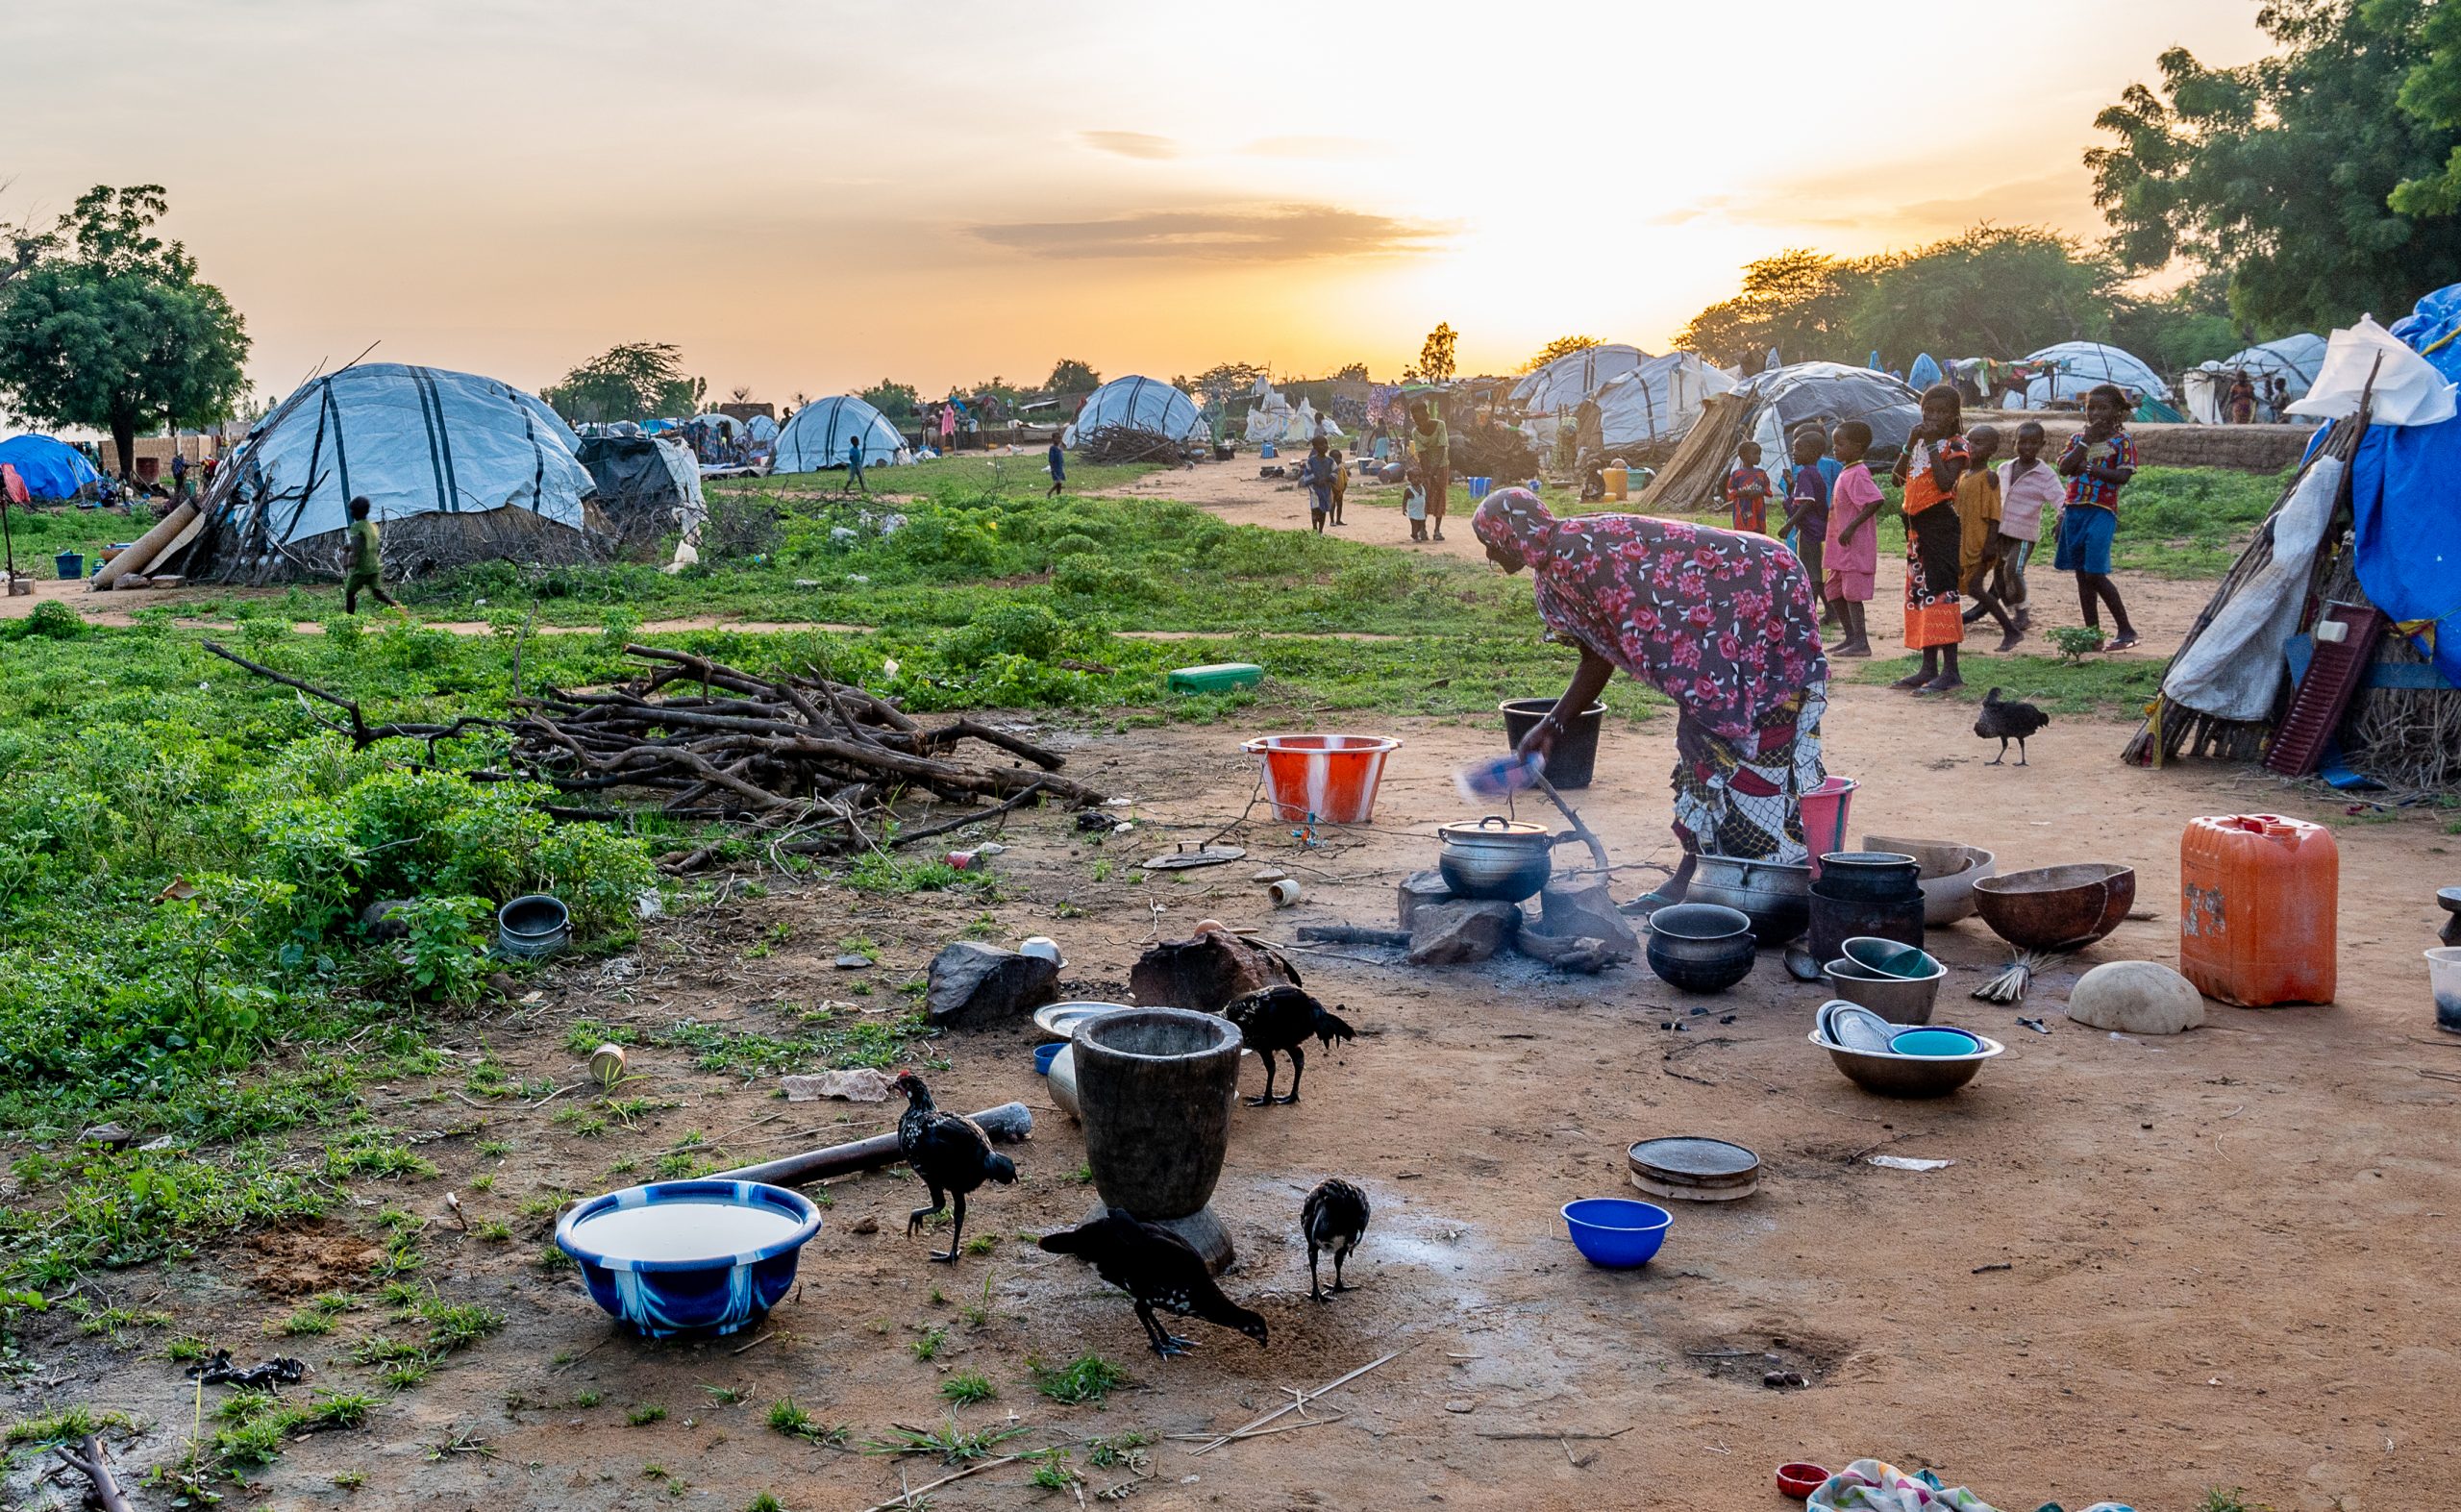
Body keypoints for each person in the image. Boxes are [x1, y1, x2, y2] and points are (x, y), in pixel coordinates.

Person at [1477, 487, 1828, 897]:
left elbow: (1660, 630)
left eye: (1490, 541)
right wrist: (1552, 724)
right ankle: (1718, 882)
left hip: (1762, 587)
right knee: (1706, 745)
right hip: (1724, 618)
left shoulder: (1576, 552)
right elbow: (1597, 656)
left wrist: (1703, 689)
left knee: (1749, 742)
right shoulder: (1554, 573)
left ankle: (1757, 886)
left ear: (1509, 533)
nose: (1490, 555)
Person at [1890, 384, 1970, 693]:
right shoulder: (1921, 444)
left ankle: (1951, 671)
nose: (1933, 416)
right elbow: (1897, 480)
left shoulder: (1956, 445)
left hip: (1940, 526)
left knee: (1941, 593)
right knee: (1921, 595)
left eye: (1940, 412)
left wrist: (1934, 445)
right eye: (1928, 411)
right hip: (1917, 528)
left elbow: (1944, 481)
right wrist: (1910, 444)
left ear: (1953, 417)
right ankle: (1927, 667)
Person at [2055, 384, 2141, 650]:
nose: (2096, 413)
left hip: (2102, 510)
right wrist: (2085, 442)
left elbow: (2123, 476)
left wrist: (2090, 468)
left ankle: (2126, 630)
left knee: (2094, 572)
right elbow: (2065, 467)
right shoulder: (2076, 439)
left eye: (2103, 408)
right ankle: (2092, 635)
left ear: (2116, 411)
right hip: (2074, 510)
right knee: (2082, 576)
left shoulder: (2122, 441)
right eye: (2091, 407)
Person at [1953, 425, 2021, 651]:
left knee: (1974, 588)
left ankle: (2011, 630)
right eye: (1969, 441)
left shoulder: (1989, 477)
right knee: (1961, 585)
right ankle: (1951, 629)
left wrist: (1990, 546)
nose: (1971, 447)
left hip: (1981, 543)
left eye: (1978, 443)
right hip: (1962, 541)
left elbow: (1993, 515)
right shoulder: (1963, 475)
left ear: (1992, 449)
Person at [1988, 420, 2059, 628]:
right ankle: (2013, 605)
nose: (2027, 447)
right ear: (2014, 443)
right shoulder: (2004, 468)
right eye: (2023, 442)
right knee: (1999, 574)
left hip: (2024, 534)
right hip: (2001, 532)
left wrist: (2061, 517)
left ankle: (2022, 612)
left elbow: (2060, 499)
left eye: (2033, 443)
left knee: (2013, 570)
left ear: (2042, 444)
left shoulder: (2045, 475)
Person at [1823, 420, 1882, 657]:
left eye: (1840, 444)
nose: (1835, 448)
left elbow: (1875, 500)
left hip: (1853, 545)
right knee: (1833, 590)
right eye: (1834, 443)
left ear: (1857, 447)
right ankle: (1850, 637)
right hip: (1840, 548)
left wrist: (1851, 528)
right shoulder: (1846, 471)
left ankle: (1861, 642)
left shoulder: (1858, 473)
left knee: (1852, 594)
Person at [1778, 428, 1830, 629]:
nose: (1795, 453)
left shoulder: (1806, 474)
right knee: (1815, 570)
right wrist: (1791, 487)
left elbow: (1807, 504)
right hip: (1815, 529)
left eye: (1799, 449)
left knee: (1812, 573)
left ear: (1814, 453)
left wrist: (1788, 525)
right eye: (1794, 448)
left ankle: (1810, 611)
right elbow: (1802, 499)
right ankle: (1830, 610)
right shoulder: (1810, 474)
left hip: (1811, 531)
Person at [342, 496, 398, 614]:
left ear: (355, 512)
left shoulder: (356, 526)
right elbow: (369, 543)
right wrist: (350, 547)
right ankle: (395, 605)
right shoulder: (373, 526)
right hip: (374, 565)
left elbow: (357, 544)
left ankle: (349, 619)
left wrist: (350, 560)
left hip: (362, 567)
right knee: (378, 593)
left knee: (350, 593)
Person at [1409, 401, 1451, 541]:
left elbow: (1441, 449)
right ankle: (1423, 529)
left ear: (1427, 415)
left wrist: (1433, 473)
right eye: (1415, 420)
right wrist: (1426, 475)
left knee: (1440, 495)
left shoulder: (1440, 425)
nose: (1419, 423)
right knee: (1424, 497)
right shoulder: (1415, 432)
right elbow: (1422, 454)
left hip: (1441, 465)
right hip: (1426, 467)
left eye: (1420, 419)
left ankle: (1437, 530)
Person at [1725, 441, 1773, 534]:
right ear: (1743, 455)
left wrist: (1760, 492)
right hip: (1743, 508)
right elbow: (1730, 490)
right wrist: (1743, 493)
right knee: (1744, 532)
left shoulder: (1761, 473)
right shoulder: (1737, 474)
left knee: (1758, 532)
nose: (1758, 457)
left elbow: (1766, 488)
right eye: (1755, 454)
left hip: (1758, 508)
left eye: (1759, 454)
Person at [1300, 437, 1335, 534]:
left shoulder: (1330, 461)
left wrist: (1327, 478)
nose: (1325, 446)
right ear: (1315, 447)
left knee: (1323, 510)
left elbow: (1335, 472)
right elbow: (1307, 474)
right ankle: (1315, 528)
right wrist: (1315, 480)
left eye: (1326, 443)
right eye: (1321, 444)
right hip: (1314, 489)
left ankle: (1320, 530)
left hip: (1325, 489)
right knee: (1315, 509)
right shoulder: (1311, 461)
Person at [845, 433, 870, 497]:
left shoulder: (857, 449)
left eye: (857, 441)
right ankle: (846, 488)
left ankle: (863, 488)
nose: (857, 442)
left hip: (858, 465)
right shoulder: (852, 450)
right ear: (853, 443)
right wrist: (854, 462)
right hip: (854, 466)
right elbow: (850, 457)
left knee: (860, 476)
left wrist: (859, 463)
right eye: (856, 441)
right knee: (851, 478)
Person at [1328, 448, 1348, 526]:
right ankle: (1332, 521)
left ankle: (1338, 520)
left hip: (1340, 491)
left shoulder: (1342, 469)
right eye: (1336, 458)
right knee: (1332, 506)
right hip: (1332, 491)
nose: (1338, 459)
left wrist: (1343, 490)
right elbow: (1329, 481)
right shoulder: (1329, 470)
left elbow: (1345, 480)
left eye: (1339, 457)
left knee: (1340, 505)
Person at [1047, 433, 1066, 497]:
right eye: (1057, 438)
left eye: (1059, 438)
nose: (1058, 440)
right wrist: (1052, 468)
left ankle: (1059, 495)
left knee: (1060, 484)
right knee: (1058, 482)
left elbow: (1061, 458)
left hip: (1060, 468)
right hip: (1055, 468)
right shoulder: (1052, 448)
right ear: (1052, 439)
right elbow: (1051, 459)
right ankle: (1049, 493)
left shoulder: (1059, 448)